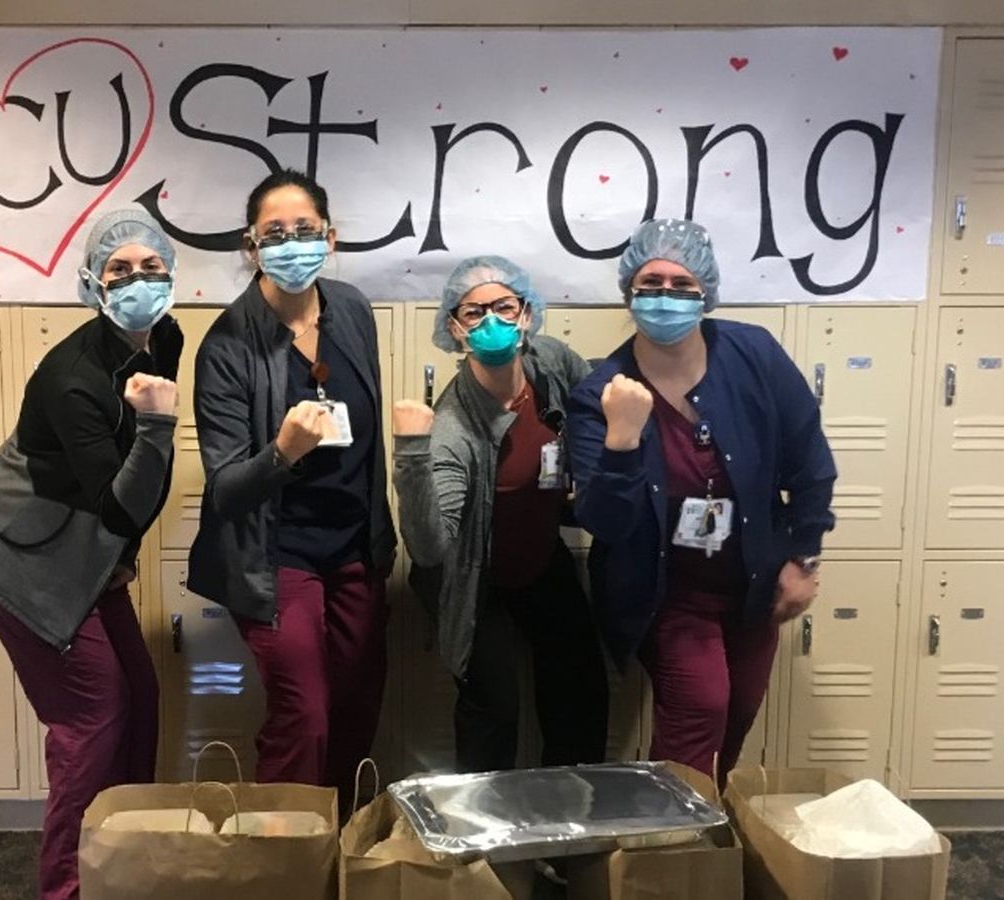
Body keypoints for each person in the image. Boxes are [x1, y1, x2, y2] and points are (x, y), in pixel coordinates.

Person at [0, 209, 182, 899]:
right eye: (120, 270)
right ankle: (67, 887)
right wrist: (158, 423)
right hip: (21, 557)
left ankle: (124, 860)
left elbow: (139, 478)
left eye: (151, 267)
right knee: (92, 718)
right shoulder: (72, 377)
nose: (138, 281)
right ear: (93, 283)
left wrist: (123, 551)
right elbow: (121, 500)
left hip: (86, 545)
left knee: (141, 697)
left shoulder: (166, 336)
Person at [566, 218, 836, 784]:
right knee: (700, 710)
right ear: (629, 292)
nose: (665, 296)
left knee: (737, 714)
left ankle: (702, 821)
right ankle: (676, 832)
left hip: (755, 584)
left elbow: (810, 462)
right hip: (668, 594)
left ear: (705, 291)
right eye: (650, 283)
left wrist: (803, 556)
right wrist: (621, 439)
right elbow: (605, 522)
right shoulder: (600, 392)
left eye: (681, 284)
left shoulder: (753, 354)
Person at [188, 169, 396, 802]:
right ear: (251, 247)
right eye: (274, 232)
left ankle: (340, 837)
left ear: (330, 238)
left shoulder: (351, 309)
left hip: (354, 547)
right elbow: (226, 490)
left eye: (305, 230)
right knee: (304, 716)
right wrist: (282, 454)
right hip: (276, 555)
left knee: (357, 707)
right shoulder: (227, 345)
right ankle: (283, 845)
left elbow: (369, 445)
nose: (291, 243)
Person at [393, 256, 609, 774]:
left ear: (526, 314)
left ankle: (571, 814)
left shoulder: (550, 361)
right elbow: (429, 548)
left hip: (538, 554)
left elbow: (592, 402)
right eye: (474, 312)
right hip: (470, 574)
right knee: (494, 708)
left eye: (504, 307)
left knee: (581, 691)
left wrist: (590, 466)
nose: (491, 321)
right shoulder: (452, 428)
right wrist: (411, 454)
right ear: (455, 328)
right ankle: (486, 822)